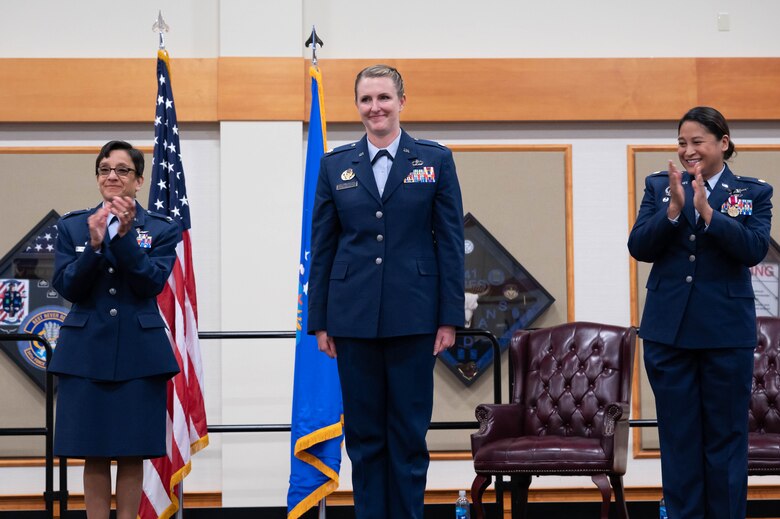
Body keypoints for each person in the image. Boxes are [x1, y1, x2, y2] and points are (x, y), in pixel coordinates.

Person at [308, 64, 465, 518]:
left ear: (401, 102)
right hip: (351, 319)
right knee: (364, 437)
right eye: (365, 99)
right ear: (357, 106)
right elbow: (323, 248)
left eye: (383, 97)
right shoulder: (334, 165)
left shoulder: (434, 160)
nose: (374, 107)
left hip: (415, 317)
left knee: (408, 435)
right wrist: (319, 321)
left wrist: (449, 317)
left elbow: (450, 244)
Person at [628, 107, 773, 519]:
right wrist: (673, 211)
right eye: (682, 142)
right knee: (679, 440)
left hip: (725, 335)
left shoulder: (753, 192)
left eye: (697, 142)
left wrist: (708, 212)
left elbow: (753, 249)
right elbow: (640, 247)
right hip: (667, 335)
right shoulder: (659, 186)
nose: (688, 151)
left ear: (722, 143)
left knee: (726, 441)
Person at [49, 140, 181, 519]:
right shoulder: (73, 225)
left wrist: (123, 239)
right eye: (105, 168)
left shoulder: (160, 227)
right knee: (92, 451)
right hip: (84, 353)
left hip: (139, 355)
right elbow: (69, 287)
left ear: (139, 180)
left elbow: (150, 283)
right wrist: (93, 246)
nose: (112, 176)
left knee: (130, 450)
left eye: (122, 170)